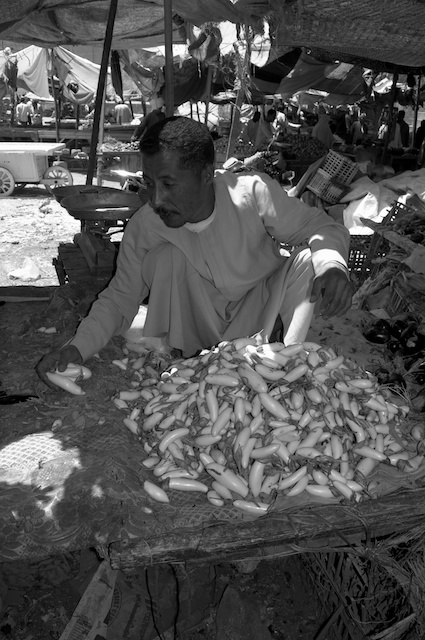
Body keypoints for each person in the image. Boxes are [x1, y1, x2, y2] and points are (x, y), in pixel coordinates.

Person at [36, 116, 353, 387]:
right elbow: (120, 297)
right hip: (202, 331)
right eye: (149, 182)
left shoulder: (252, 193)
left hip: (262, 311)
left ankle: (289, 362)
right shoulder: (146, 225)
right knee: (165, 257)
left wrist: (334, 266)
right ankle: (191, 359)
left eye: (169, 184)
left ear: (206, 176)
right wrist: (77, 348)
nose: (157, 199)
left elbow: (324, 227)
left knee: (315, 258)